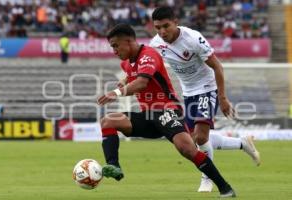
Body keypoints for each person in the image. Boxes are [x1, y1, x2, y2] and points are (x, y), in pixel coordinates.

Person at [97, 23, 236, 198]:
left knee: (188, 150)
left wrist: (116, 92)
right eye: (112, 47)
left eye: (116, 46)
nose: (114, 51)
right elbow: (132, 72)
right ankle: (113, 165)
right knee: (108, 121)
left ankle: (225, 188)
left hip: (167, 110)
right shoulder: (126, 64)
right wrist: (124, 81)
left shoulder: (149, 55)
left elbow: (142, 82)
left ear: (129, 41)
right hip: (148, 116)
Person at [149, 6, 260, 192]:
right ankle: (243, 143)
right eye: (158, 27)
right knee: (196, 140)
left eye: (166, 26)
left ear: (176, 22)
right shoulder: (156, 43)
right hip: (188, 92)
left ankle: (206, 178)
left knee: (200, 137)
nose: (162, 32)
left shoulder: (192, 39)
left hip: (207, 87)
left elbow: (217, 66)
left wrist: (222, 97)